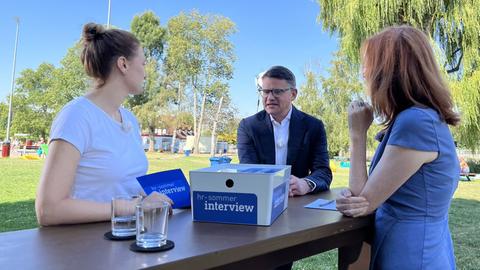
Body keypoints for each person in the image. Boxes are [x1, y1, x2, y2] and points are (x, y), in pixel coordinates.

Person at [336, 25, 460, 269]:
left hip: (411, 254)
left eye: (369, 65)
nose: (364, 73)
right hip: (422, 247)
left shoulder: (416, 122)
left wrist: (357, 133)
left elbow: (363, 202)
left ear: (388, 71)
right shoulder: (422, 118)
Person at [35, 23, 172, 226]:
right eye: (143, 64)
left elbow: (124, 186)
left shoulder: (130, 120)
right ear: (123, 64)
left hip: (128, 242)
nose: (146, 73)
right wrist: (134, 207)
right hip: (84, 248)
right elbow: (48, 209)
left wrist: (156, 198)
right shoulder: (76, 116)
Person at [237, 66, 332, 198]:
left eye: (277, 91)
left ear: (293, 94)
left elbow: (323, 172)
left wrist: (305, 184)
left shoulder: (313, 126)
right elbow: (248, 171)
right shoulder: (248, 127)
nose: (269, 97)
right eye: (265, 91)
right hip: (261, 201)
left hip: (298, 205)